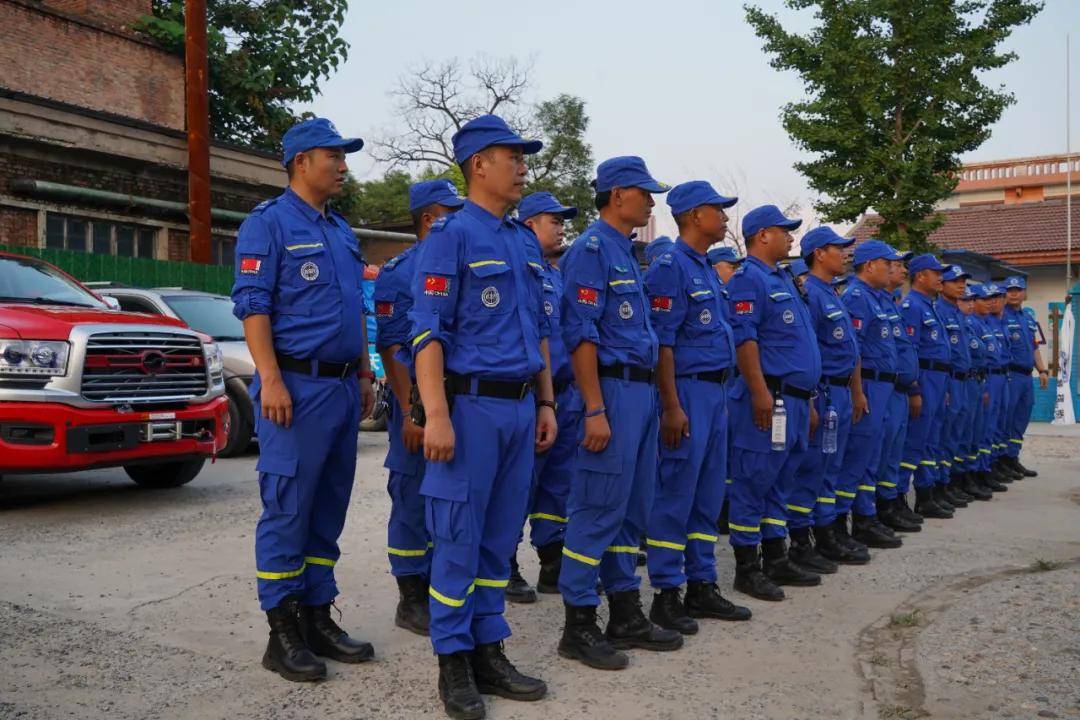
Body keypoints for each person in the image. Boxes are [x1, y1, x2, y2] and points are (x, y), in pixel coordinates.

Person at [407, 114, 557, 718]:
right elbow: (427, 333)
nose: (522, 165)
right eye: (511, 155)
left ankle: (489, 647)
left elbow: (540, 331)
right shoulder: (451, 235)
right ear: (478, 164)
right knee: (457, 539)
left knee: (500, 539)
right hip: (468, 408)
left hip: (521, 407)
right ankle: (453, 661)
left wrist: (546, 400)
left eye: (523, 156)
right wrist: (436, 414)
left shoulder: (522, 239)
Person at [232, 117, 377, 682]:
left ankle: (318, 615)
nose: (342, 165)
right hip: (296, 388)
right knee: (289, 507)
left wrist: (365, 374)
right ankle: (283, 629)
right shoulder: (267, 226)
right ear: (300, 162)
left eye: (343, 156)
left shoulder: (341, 232)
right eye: (332, 155)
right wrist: (269, 378)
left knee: (327, 508)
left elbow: (352, 312)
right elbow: (253, 306)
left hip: (342, 387)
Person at [557, 156, 681, 671]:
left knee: (632, 507)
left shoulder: (625, 253)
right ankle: (578, 623)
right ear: (616, 195)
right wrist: (593, 409)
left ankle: (625, 612)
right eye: (643, 192)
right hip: (608, 391)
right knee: (596, 507)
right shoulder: (590, 251)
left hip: (640, 393)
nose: (652, 201)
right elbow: (581, 335)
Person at [642, 181, 751, 636]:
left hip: (717, 392)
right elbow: (663, 343)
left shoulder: (706, 267)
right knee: (676, 494)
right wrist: (670, 405)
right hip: (685, 392)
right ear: (692, 216)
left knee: (707, 495)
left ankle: (702, 582)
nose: (725, 218)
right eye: (717, 210)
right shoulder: (669, 267)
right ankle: (667, 592)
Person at [374, 179, 465, 635]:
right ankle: (411, 597)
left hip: (453, 403)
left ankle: (442, 586)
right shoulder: (399, 270)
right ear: (429, 218)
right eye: (451, 210)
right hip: (416, 405)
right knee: (411, 496)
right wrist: (413, 410)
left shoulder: (457, 260)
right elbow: (392, 347)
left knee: (448, 497)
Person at [725, 204, 822, 602]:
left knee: (781, 482)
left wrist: (810, 399)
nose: (791, 237)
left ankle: (776, 557)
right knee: (752, 483)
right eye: (784, 230)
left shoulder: (784, 279)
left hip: (797, 400)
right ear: (762, 235)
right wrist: (760, 391)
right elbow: (745, 340)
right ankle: (748, 568)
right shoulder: (749, 279)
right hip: (770, 398)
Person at [505, 191, 581, 603]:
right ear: (530, 224)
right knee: (521, 485)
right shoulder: (520, 271)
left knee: (558, 486)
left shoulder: (554, 275)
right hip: (533, 396)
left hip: (564, 395)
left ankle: (552, 559)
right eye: (554, 221)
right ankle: (505, 562)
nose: (561, 228)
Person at [786, 226, 866, 569]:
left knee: (831, 466)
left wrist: (856, 390)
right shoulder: (810, 294)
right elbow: (811, 352)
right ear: (819, 253)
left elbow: (850, 347)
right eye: (839, 249)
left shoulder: (833, 293)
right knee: (813, 467)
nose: (845, 255)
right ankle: (802, 541)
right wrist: (812, 400)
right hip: (823, 391)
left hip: (841, 391)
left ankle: (827, 531)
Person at [832, 240, 904, 548]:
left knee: (873, 456)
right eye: (887, 263)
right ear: (871, 264)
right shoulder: (857, 297)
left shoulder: (877, 298)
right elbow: (854, 350)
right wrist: (857, 391)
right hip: (868, 385)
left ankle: (865, 515)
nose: (892, 268)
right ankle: (844, 523)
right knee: (857, 457)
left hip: (884, 386)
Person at [899, 254, 955, 520]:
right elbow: (912, 351)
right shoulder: (912, 306)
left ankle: (926, 495)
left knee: (931, 440)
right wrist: (915, 388)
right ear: (921, 275)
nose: (940, 277)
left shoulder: (929, 306)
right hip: (925, 376)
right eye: (936, 272)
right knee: (915, 441)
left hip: (938, 379)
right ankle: (898, 499)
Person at [873, 254, 927, 530]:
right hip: (879, 387)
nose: (902, 270)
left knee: (893, 452)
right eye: (896, 265)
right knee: (875, 455)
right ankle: (871, 514)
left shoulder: (888, 302)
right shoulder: (863, 298)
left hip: (897, 387)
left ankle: (891, 503)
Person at [935, 266, 991, 503]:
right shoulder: (939, 311)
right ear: (942, 285)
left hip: (967, 381)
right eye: (955, 281)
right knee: (944, 438)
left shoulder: (959, 315)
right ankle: (938, 487)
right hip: (950, 381)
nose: (961, 286)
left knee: (961, 434)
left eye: (963, 282)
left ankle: (954, 481)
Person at [1001, 275, 1048, 477]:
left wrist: (1043, 370)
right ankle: (1000, 461)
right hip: (1010, 374)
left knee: (1021, 418)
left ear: (1024, 293)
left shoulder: (1028, 318)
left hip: (1027, 377)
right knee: (1006, 419)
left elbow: (1034, 347)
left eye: (1017, 289)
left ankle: (1013, 458)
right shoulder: (1000, 316)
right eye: (1009, 289)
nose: (1013, 293)